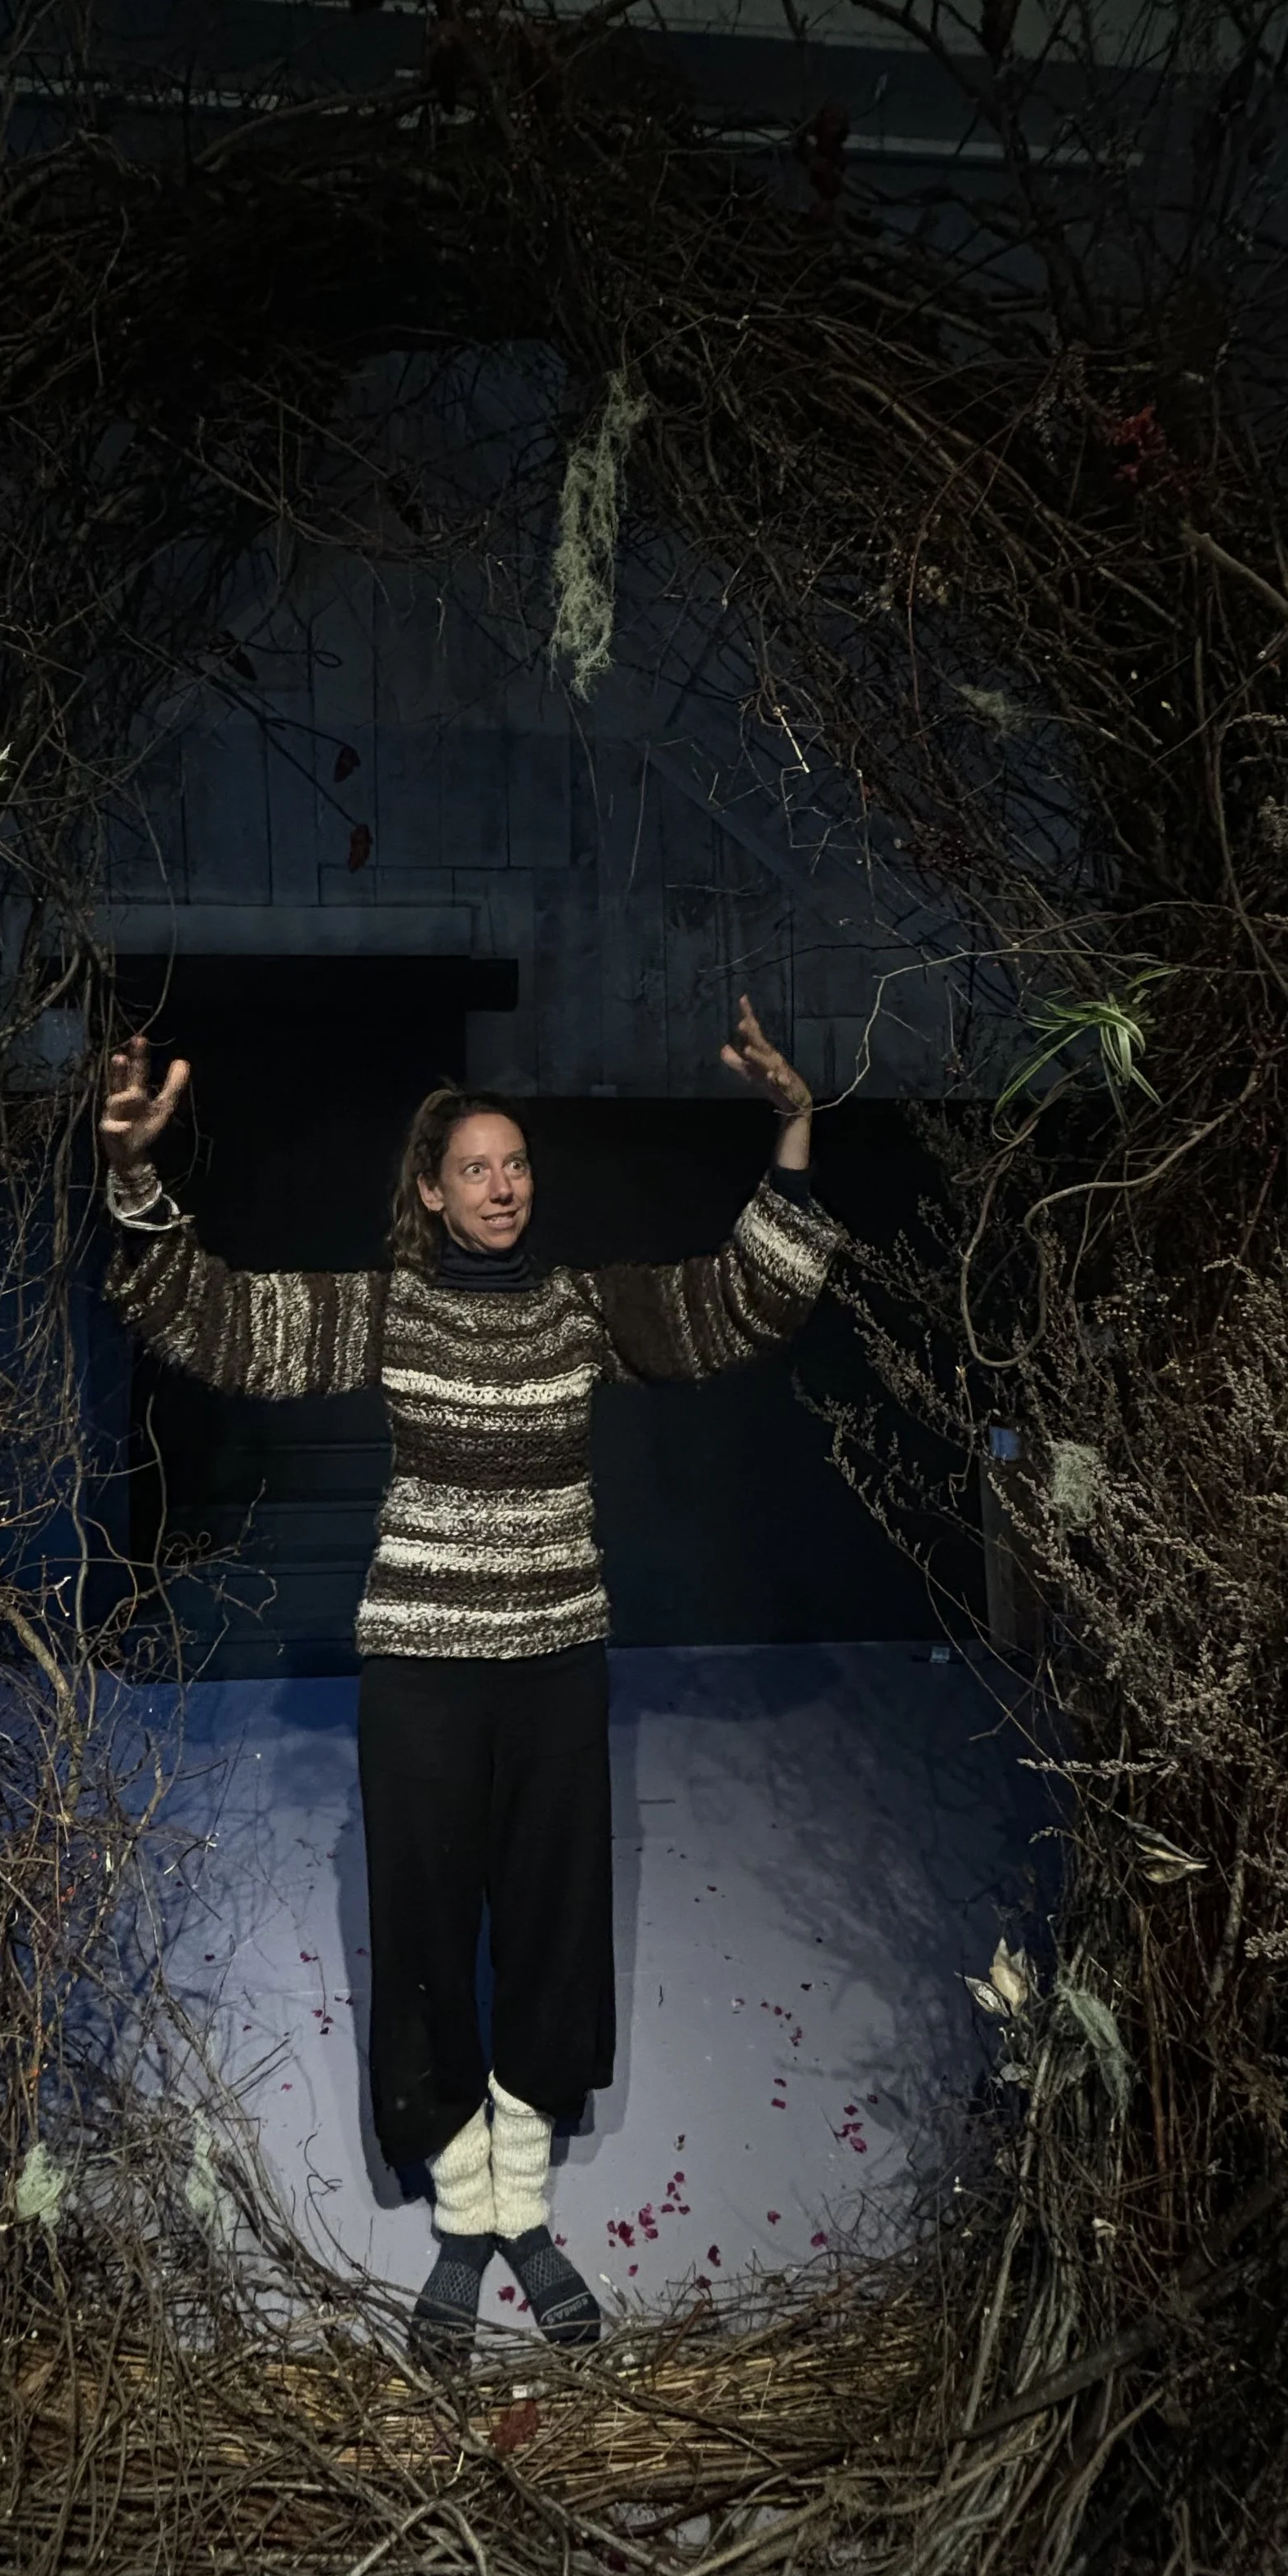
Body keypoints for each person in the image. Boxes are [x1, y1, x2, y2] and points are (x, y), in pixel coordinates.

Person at [98, 996, 844, 2367]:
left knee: (553, 1933)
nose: (503, 1187)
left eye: (516, 1165)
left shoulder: (582, 1310)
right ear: (432, 1194)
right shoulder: (389, 1312)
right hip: (423, 1673)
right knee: (430, 1934)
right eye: (475, 1170)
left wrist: (793, 1130)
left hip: (556, 1661)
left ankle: (527, 2207)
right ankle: (463, 2212)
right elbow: (217, 1322)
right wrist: (135, 1177)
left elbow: (742, 1302)